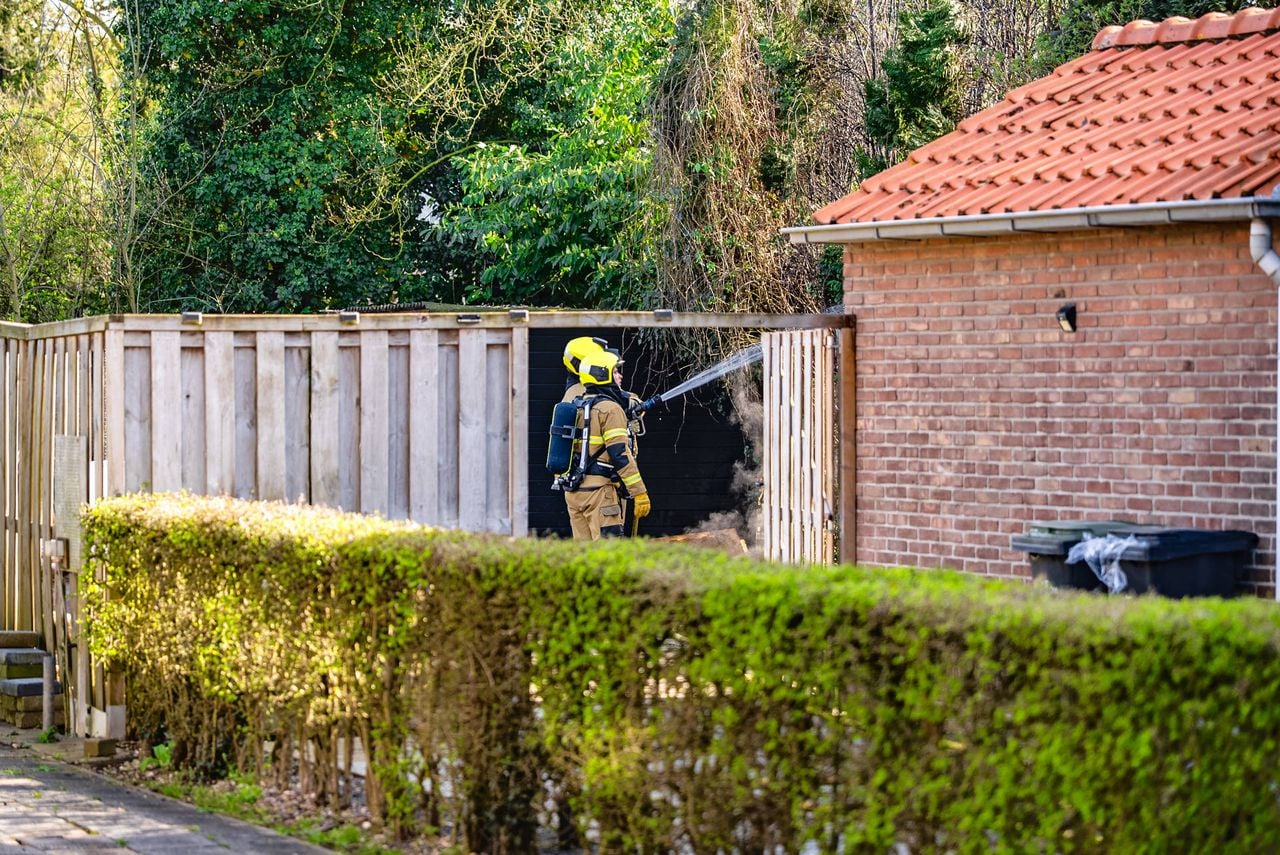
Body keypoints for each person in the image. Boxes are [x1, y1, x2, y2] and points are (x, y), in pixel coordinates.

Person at [561, 349, 650, 540]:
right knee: (609, 554)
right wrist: (639, 492)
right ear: (603, 375)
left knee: (584, 558)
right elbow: (620, 454)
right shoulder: (610, 410)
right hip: (600, 495)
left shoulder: (577, 404)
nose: (620, 375)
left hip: (575, 492)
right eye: (615, 371)